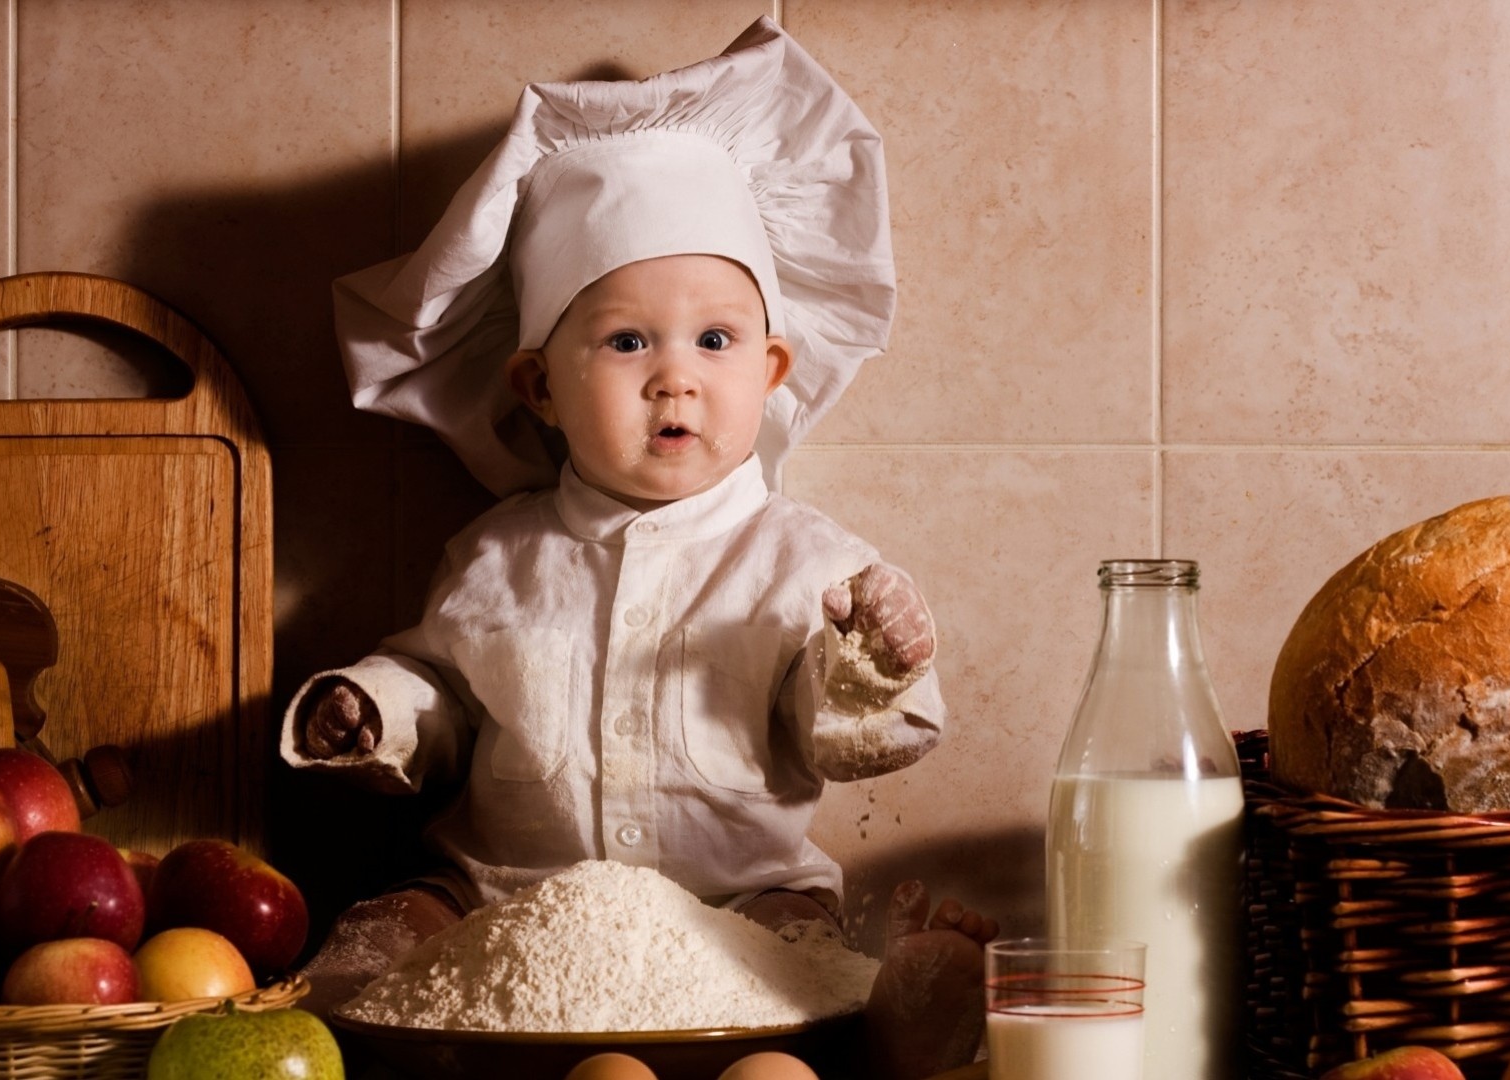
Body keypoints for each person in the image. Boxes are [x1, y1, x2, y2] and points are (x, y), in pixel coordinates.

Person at [284, 18, 995, 1077]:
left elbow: (833, 729)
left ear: (771, 368)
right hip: (506, 908)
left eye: (716, 341)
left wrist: (870, 669)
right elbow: (439, 690)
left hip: (739, 913)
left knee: (802, 964)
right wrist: (373, 708)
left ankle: (900, 1021)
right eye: (627, 342)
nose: (677, 378)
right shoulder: (494, 559)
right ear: (538, 389)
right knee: (387, 940)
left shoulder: (805, 562)